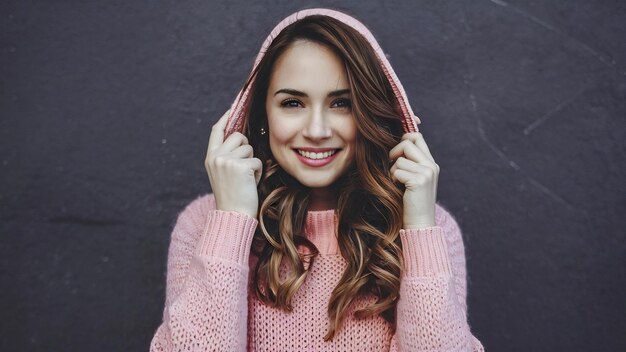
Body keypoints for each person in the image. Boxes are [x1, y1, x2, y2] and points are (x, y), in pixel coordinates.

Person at [150, 8, 484, 351]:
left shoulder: (432, 231)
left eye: (342, 103)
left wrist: (418, 230)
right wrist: (232, 221)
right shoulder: (203, 224)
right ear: (260, 112)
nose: (317, 131)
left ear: (370, 112)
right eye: (293, 103)